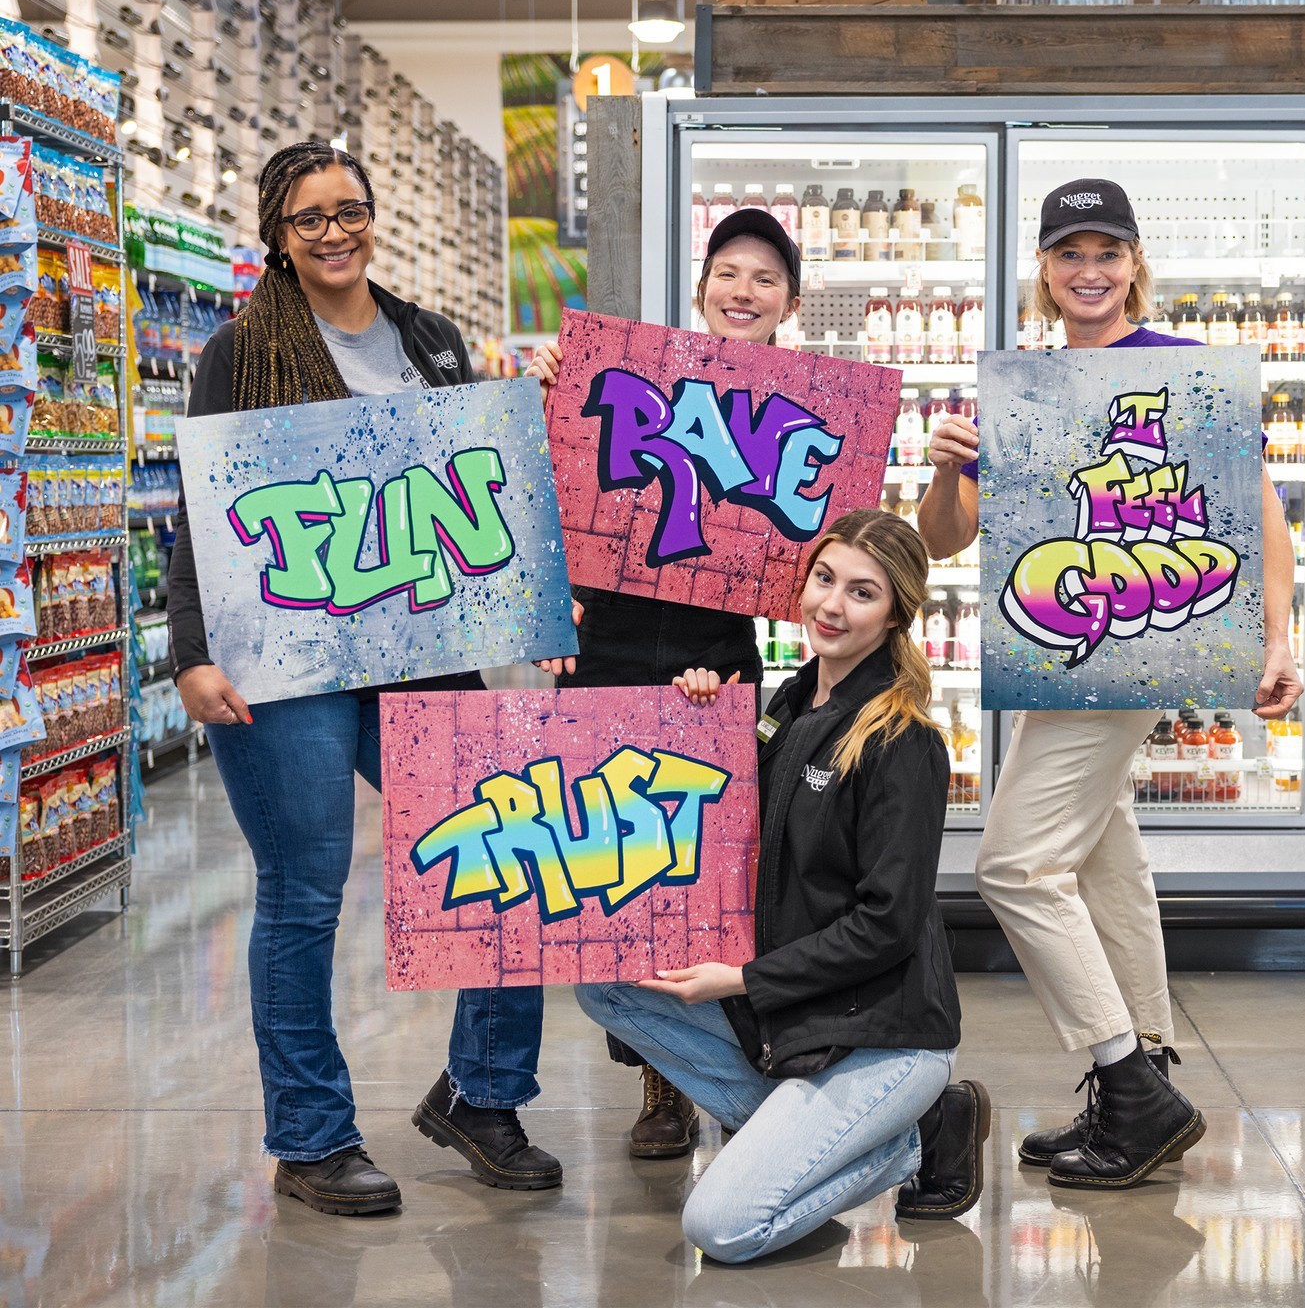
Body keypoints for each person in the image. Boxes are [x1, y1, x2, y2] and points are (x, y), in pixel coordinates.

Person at [168, 141, 574, 1215]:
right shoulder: (239, 354)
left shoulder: (429, 339)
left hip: (424, 656)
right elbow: (205, 519)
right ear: (278, 234)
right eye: (310, 218)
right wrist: (192, 653)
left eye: (350, 209)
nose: (335, 231)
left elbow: (475, 488)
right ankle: (310, 1139)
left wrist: (541, 589)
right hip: (282, 664)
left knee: (509, 846)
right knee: (304, 896)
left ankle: (482, 1094)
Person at [918, 178, 1303, 1191]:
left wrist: (1281, 635)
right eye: (1069, 253)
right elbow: (945, 539)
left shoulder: (1181, 372)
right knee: (1098, 861)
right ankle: (1147, 1073)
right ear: (1043, 272)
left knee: (1011, 866)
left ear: (1135, 266)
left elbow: (1258, 508)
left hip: (1141, 644)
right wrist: (943, 465)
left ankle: (1127, 1080)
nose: (1089, 270)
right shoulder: (1023, 388)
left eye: (1107, 251)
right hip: (1053, 648)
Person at [575, 509, 988, 1263]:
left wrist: (742, 979)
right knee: (607, 985)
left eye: (861, 593)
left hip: (880, 1036)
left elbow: (889, 926)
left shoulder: (903, 740)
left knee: (720, 1228)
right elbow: (725, 832)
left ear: (895, 612)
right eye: (824, 580)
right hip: (799, 1014)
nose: (832, 605)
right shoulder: (787, 709)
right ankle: (827, 1134)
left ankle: (915, 1144)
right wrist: (691, 719)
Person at [526, 208, 805, 1160]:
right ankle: (659, 1080)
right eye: (728, 271)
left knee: (697, 878)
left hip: (712, 660)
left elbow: (810, 558)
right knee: (613, 876)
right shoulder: (633, 380)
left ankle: (703, 1066)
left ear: (789, 304)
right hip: (605, 650)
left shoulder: (803, 414)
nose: (743, 291)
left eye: (765, 279)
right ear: (701, 290)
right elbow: (555, 497)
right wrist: (553, 402)